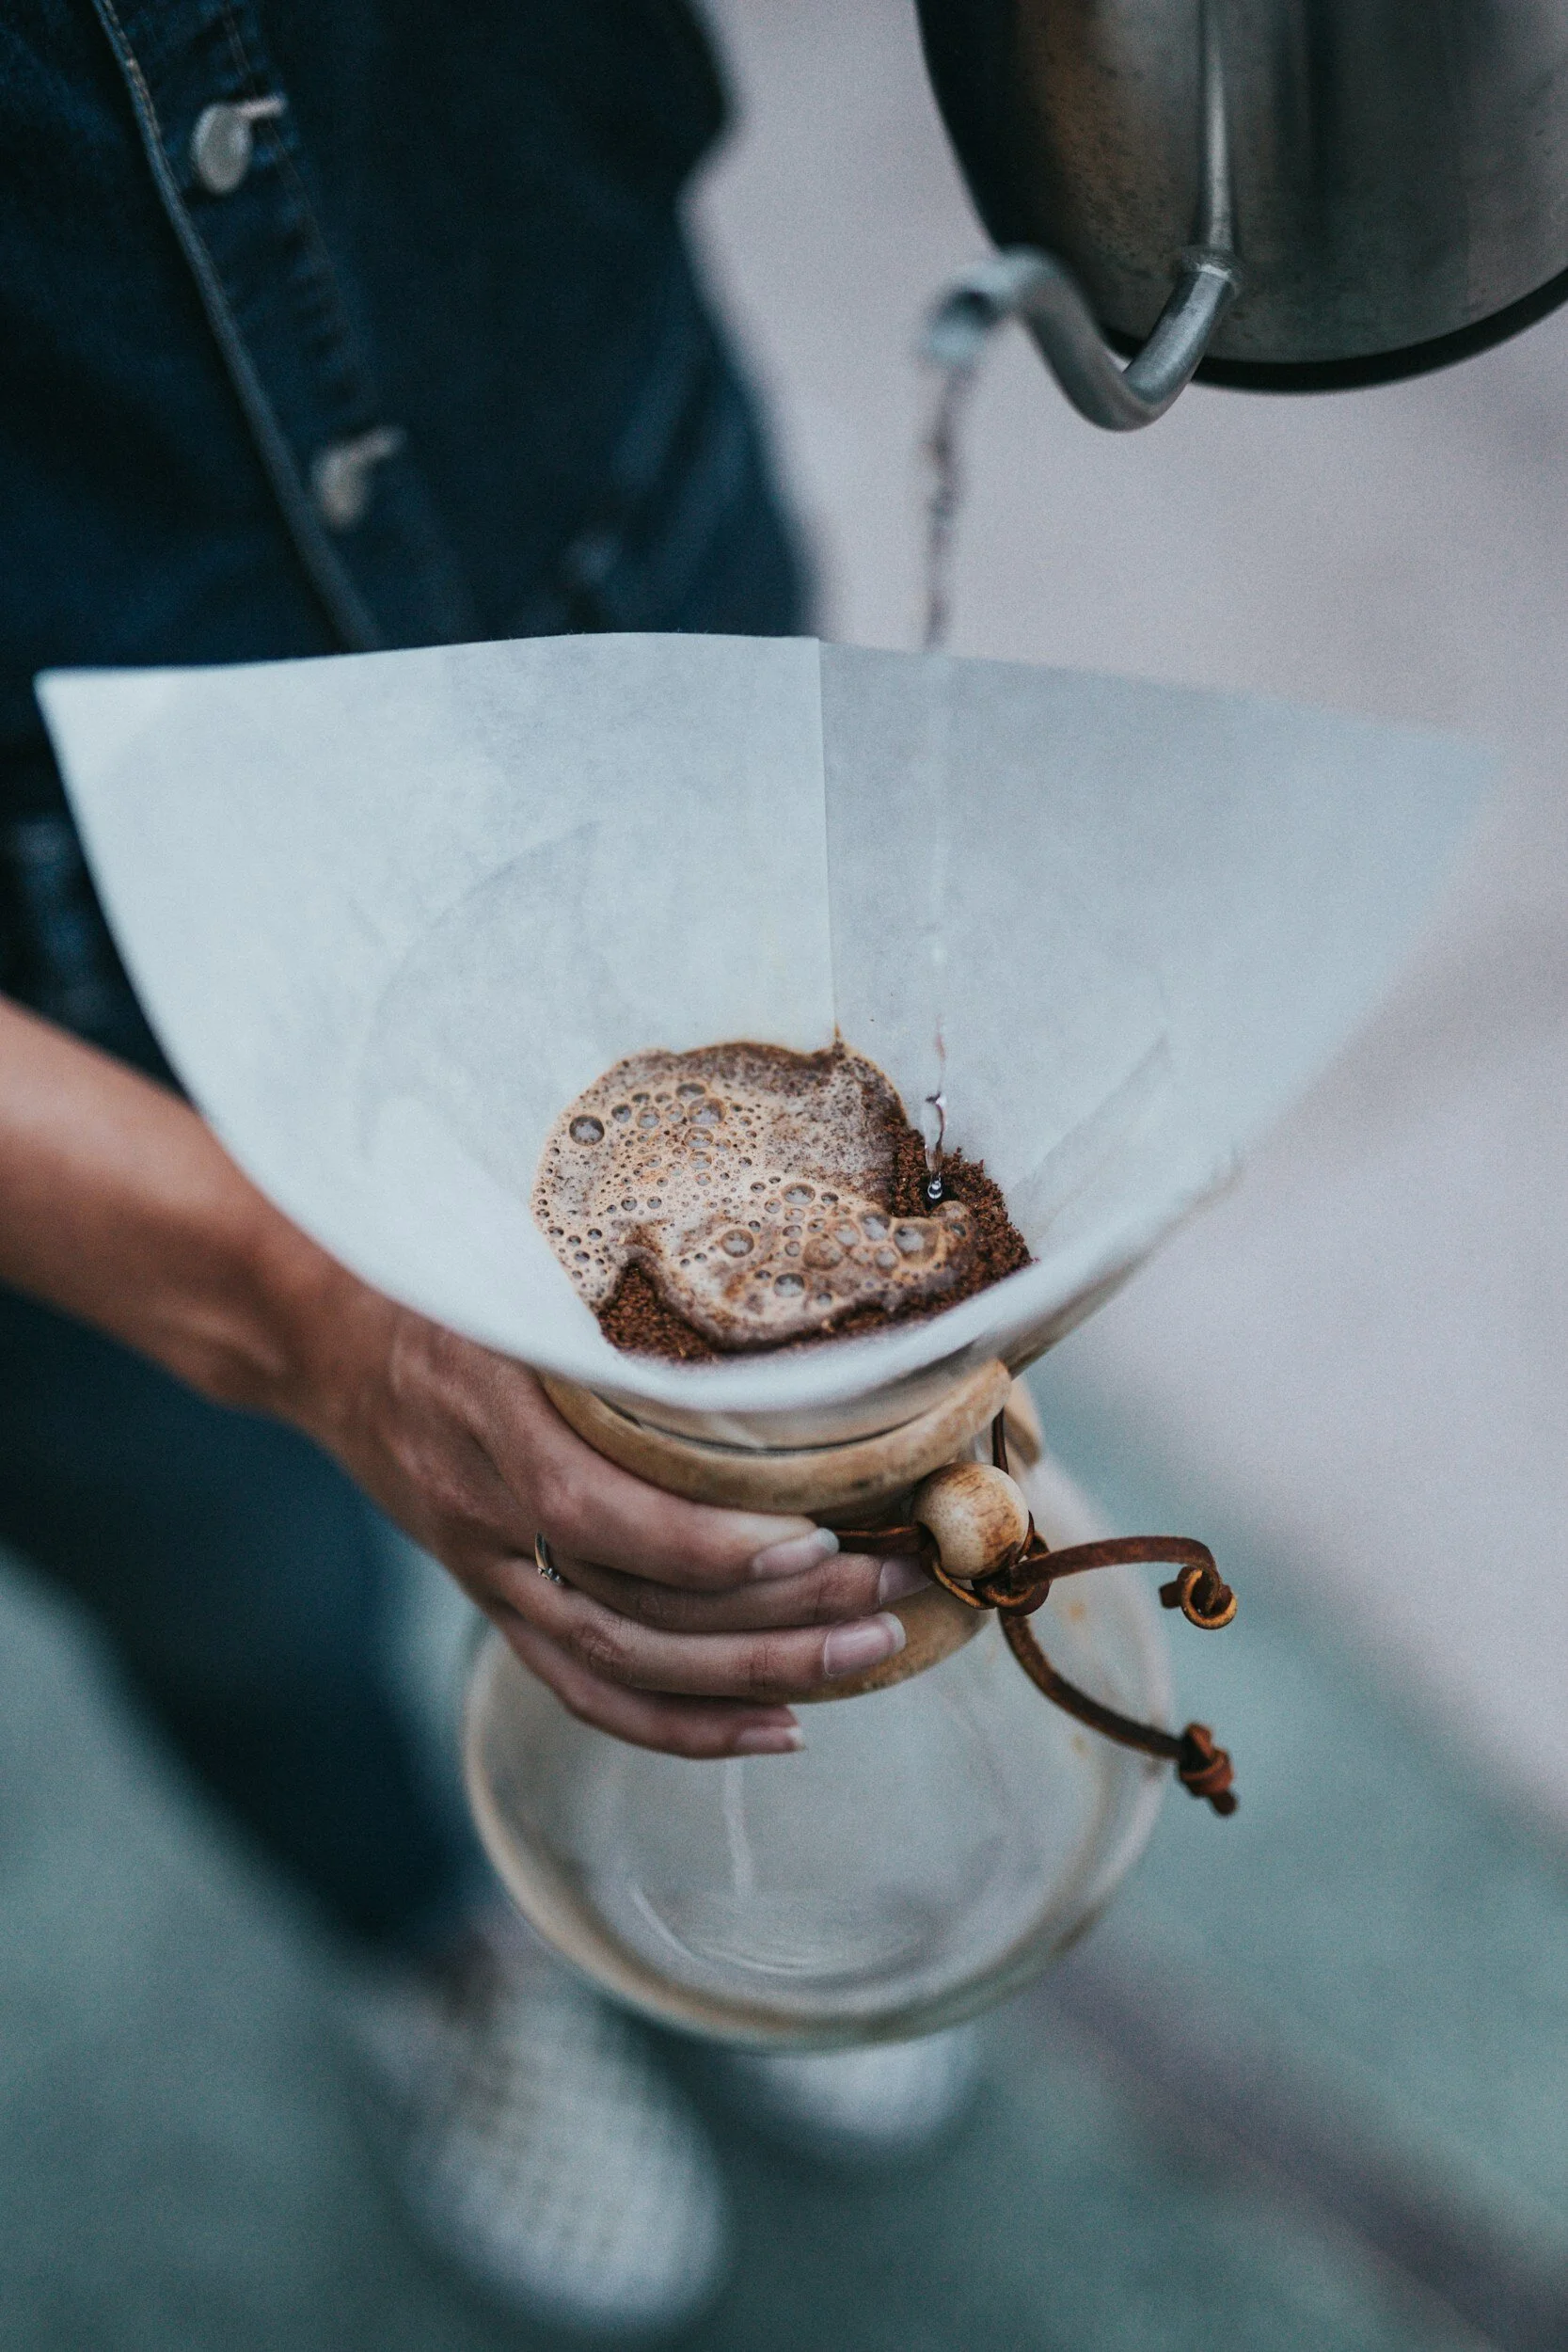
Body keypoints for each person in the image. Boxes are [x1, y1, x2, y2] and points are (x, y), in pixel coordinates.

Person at [0, 5, 978, 2333]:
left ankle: (702, 1838)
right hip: (50, 972)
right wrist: (292, 1303)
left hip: (611, 529)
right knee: (233, 1580)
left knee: (754, 1416)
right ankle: (426, 1948)